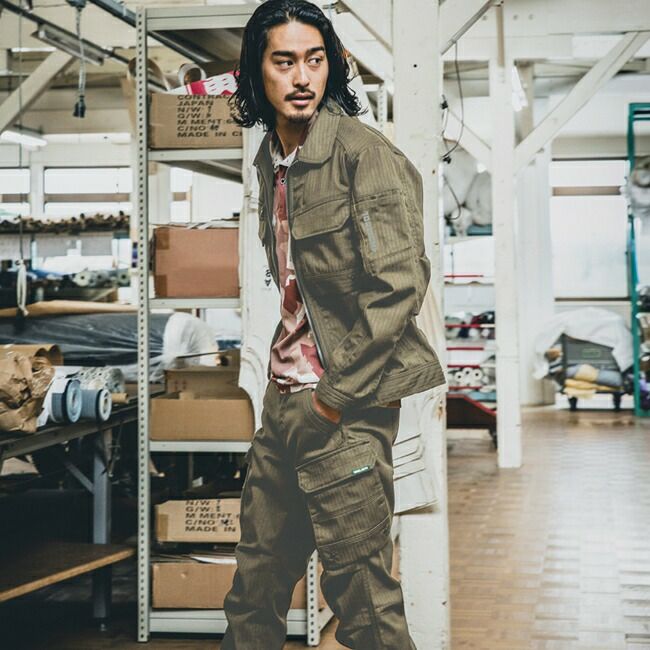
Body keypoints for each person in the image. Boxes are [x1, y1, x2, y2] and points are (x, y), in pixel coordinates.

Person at [221, 1, 445, 648]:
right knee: (255, 589)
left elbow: (398, 286)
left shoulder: (362, 155)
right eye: (284, 61)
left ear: (332, 67)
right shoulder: (271, 158)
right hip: (283, 402)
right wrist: (292, 399)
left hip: (343, 407)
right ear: (257, 71)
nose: (301, 77)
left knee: (364, 604)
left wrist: (332, 399)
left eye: (314, 60)